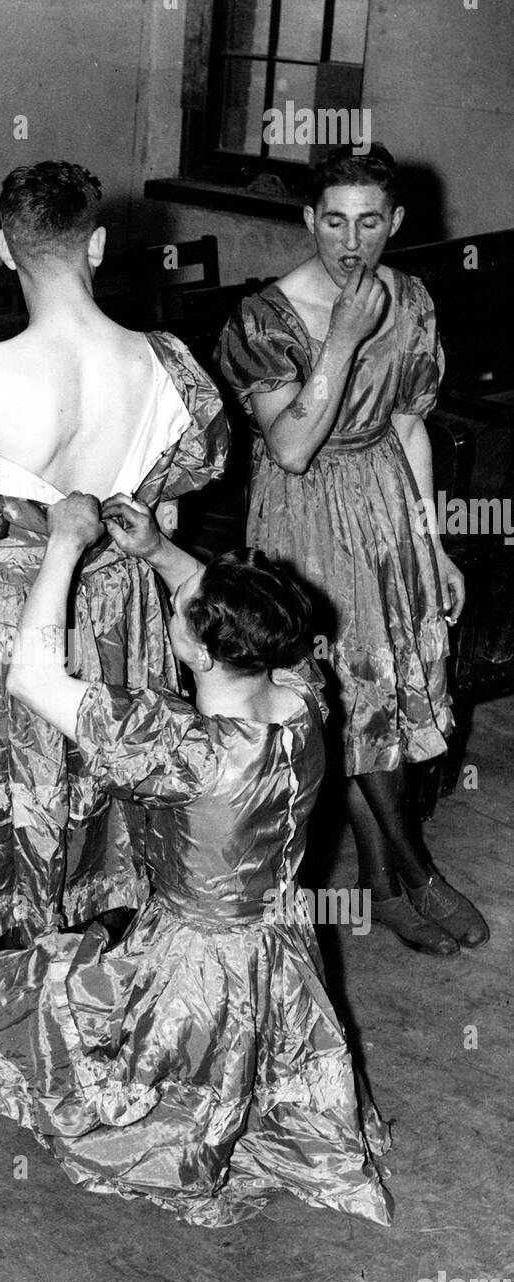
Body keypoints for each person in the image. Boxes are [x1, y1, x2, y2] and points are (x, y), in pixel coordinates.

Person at [0, 493, 392, 1227]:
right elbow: (224, 607)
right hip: (277, 937)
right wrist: (154, 550)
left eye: (185, 610)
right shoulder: (304, 694)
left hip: (193, 957)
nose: (177, 603)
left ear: (201, 652)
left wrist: (62, 546)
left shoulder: (181, 748)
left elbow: (30, 680)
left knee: (111, 1047)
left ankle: (179, 1142)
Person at [0, 161, 229, 943]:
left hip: (9, 620)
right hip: (119, 610)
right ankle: (93, 942)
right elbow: (168, 514)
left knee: (10, 781)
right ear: (99, 245)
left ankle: (22, 956)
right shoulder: (165, 363)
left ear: (5, 253)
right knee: (99, 770)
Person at [216, 145, 488, 957]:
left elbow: (408, 427)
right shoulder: (263, 318)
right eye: (332, 219)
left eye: (368, 221)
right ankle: (414, 868)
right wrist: (341, 335)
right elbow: (292, 446)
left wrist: (431, 543)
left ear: (394, 224)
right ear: (307, 220)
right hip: (302, 518)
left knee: (385, 702)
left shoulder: (410, 298)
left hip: (383, 509)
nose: (348, 239)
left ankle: (379, 886)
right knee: (348, 698)